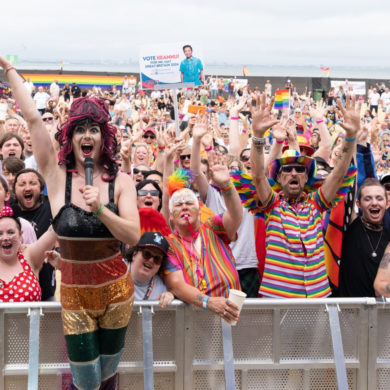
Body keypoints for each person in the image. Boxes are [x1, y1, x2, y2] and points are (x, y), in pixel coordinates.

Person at [1, 57, 140, 390]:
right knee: (86, 380)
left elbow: (133, 235)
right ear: (70, 136)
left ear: (104, 137)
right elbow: (33, 117)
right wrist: (8, 69)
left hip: (116, 293)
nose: (87, 135)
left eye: (94, 128)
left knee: (107, 378)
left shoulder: (120, 182)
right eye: (80, 129)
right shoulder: (55, 174)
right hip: (74, 294)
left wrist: (102, 211)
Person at [250, 93, 360, 298]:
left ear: (306, 178)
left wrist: (351, 137)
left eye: (300, 170)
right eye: (288, 170)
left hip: (318, 296)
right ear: (279, 179)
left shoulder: (316, 204)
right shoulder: (272, 205)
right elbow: (257, 176)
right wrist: (257, 135)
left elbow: (338, 174)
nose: (294, 173)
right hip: (278, 298)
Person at [163, 161, 242, 324]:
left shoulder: (214, 227)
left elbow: (235, 215)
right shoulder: (168, 245)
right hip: (195, 321)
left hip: (232, 315)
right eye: (178, 205)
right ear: (171, 215)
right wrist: (209, 302)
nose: (184, 207)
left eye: (189, 203)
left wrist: (227, 185)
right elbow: (176, 284)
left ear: (199, 210)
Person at [338, 179, 390, 297]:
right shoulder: (351, 225)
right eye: (368, 199)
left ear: (387, 204)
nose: (374, 203)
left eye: (379, 198)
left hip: (379, 312)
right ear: (358, 204)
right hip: (350, 311)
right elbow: (349, 183)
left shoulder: (388, 237)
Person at [0, 207, 58, 303]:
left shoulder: (30, 255)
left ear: (20, 235)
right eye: (0, 233)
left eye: (11, 232)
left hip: (31, 318)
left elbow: (56, 228)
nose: (5, 238)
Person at [126, 232, 174, 307]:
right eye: (147, 254)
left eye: (157, 259)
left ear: (160, 265)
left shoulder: (162, 289)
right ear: (134, 254)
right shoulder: (117, 270)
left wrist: (170, 296)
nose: (151, 260)